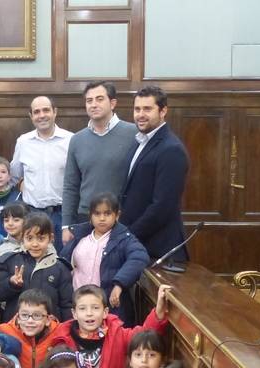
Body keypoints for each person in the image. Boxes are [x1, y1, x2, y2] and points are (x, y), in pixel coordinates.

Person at [120, 86, 190, 262]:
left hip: (159, 247)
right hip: (139, 243)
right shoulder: (139, 142)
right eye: (137, 109)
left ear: (163, 111)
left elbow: (162, 206)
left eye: (147, 109)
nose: (140, 114)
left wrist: (128, 235)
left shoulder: (171, 149)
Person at [61, 81, 138, 237]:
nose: (93, 104)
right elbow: (71, 185)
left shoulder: (134, 134)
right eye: (89, 101)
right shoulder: (77, 139)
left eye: (99, 99)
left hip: (121, 218)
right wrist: (66, 225)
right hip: (85, 218)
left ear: (113, 103)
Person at [62, 192, 149, 325]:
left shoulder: (124, 239)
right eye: (97, 214)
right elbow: (62, 263)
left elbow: (139, 257)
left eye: (107, 213)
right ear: (90, 216)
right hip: (78, 304)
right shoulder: (79, 236)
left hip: (107, 307)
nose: (102, 218)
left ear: (117, 215)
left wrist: (119, 284)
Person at [11, 96, 73, 251]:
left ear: (55, 112)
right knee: (34, 260)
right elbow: (14, 175)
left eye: (46, 110)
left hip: (63, 214)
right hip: (33, 213)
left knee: (63, 261)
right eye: (36, 112)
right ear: (31, 116)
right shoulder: (23, 142)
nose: (42, 115)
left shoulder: (71, 140)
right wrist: (21, 184)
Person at [0, 213, 73, 321]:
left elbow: (66, 304)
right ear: (22, 237)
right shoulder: (10, 261)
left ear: (50, 238)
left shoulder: (60, 267)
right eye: (29, 238)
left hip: (49, 329)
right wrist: (12, 284)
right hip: (16, 326)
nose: (35, 244)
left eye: (41, 238)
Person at [0, 289, 68, 368]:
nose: (30, 320)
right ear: (18, 317)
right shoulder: (4, 331)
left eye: (37, 315)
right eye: (25, 315)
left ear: (48, 319)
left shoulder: (60, 333)